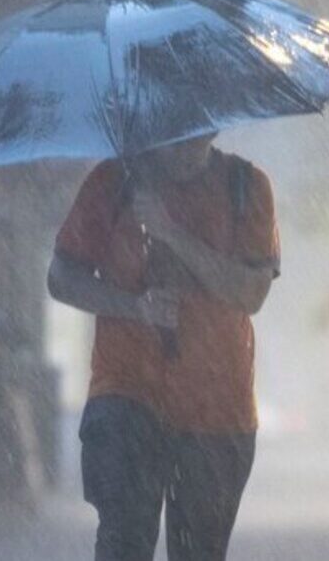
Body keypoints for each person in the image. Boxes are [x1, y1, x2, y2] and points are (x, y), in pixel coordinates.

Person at [48, 133, 279, 561]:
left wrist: (169, 232)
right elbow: (61, 278)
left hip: (218, 409)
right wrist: (134, 306)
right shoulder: (114, 182)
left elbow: (251, 293)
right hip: (126, 394)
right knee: (123, 542)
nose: (188, 140)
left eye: (200, 128)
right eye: (175, 130)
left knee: (199, 552)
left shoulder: (246, 187)